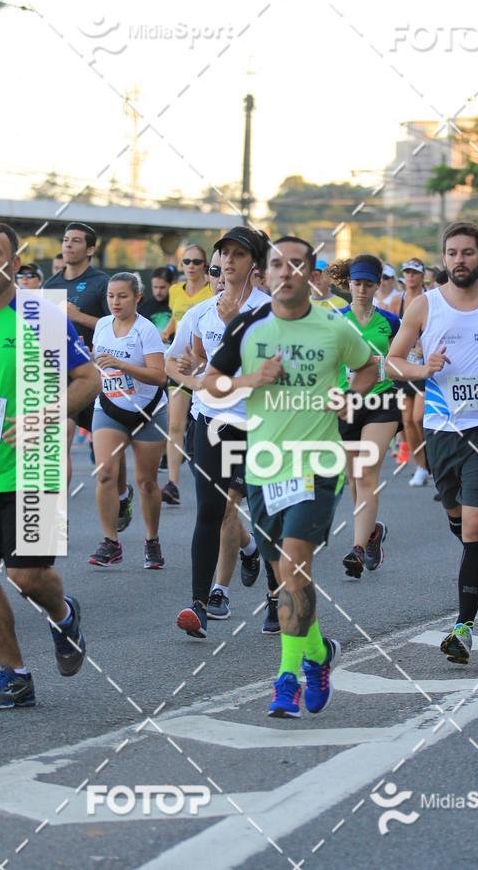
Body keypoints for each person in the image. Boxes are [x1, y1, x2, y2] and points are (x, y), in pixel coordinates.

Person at [204, 235, 378, 718]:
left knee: (296, 563)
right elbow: (209, 385)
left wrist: (349, 396)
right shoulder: (250, 327)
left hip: (317, 464)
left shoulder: (333, 327)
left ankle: (286, 681)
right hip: (263, 467)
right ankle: (319, 656)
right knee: (285, 576)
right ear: (266, 272)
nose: (285, 272)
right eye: (276, 264)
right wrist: (247, 381)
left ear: (310, 273)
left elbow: (369, 368)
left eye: (295, 265)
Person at [386, 221, 478, 665]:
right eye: (452, 253)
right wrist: (422, 369)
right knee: (456, 520)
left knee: (475, 528)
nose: (460, 260)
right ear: (443, 259)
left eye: (468, 252)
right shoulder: (424, 307)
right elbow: (392, 362)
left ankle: (462, 628)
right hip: (441, 428)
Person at [0, 222, 99, 708]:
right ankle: (13, 674)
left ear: (15, 263)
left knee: (26, 576)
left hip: (35, 463)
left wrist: (44, 415)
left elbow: (88, 378)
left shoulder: (38, 314)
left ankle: (62, 615)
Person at [172, 227, 271, 635]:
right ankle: (198, 604)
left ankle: (277, 599)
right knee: (212, 510)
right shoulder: (200, 312)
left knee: (268, 516)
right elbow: (175, 359)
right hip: (212, 422)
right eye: (223, 254)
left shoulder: (272, 311)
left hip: (262, 424)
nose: (228, 261)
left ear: (255, 265)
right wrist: (191, 376)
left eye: (239, 255)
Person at [43, 225, 132, 529]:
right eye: (66, 240)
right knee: (61, 438)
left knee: (107, 454)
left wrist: (78, 317)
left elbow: (118, 323)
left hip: (98, 375)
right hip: (64, 375)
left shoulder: (101, 283)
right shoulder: (51, 284)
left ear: (90, 249)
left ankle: (122, 493)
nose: (69, 245)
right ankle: (57, 515)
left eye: (76, 241)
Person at [88, 273, 168, 569]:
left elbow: (160, 376)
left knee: (146, 482)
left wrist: (121, 364)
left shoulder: (145, 330)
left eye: (122, 296)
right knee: (105, 473)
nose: (115, 302)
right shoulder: (101, 326)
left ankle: (152, 541)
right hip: (109, 407)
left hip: (148, 411)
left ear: (137, 297)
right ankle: (110, 542)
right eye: (111, 296)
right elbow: (98, 364)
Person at [337, 255, 402, 578]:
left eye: (368, 284)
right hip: (346, 403)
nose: (362, 289)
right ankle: (372, 531)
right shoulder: (334, 319)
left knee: (365, 474)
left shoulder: (390, 322)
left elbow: (405, 358)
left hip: (382, 401)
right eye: (356, 283)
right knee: (353, 479)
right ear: (349, 284)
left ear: (378, 286)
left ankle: (358, 549)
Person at [161, 244, 212, 506]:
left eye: (196, 262)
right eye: (186, 262)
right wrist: (165, 334)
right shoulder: (174, 291)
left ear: (205, 266)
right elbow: (176, 318)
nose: (191, 266)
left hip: (206, 366)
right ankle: (172, 483)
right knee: (174, 424)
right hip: (180, 364)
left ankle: (210, 478)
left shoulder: (213, 290)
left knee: (205, 426)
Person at [396, 259, 430, 487]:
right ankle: (421, 467)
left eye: (414, 272)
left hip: (425, 365)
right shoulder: (398, 301)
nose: (410, 276)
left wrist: (423, 345)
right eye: (407, 272)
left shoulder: (430, 298)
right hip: (403, 365)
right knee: (407, 420)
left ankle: (431, 461)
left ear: (422, 276)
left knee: (419, 418)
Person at [138, 266, 174, 341]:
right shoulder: (144, 308)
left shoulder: (177, 306)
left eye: (162, 287)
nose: (158, 292)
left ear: (172, 285)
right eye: (155, 287)